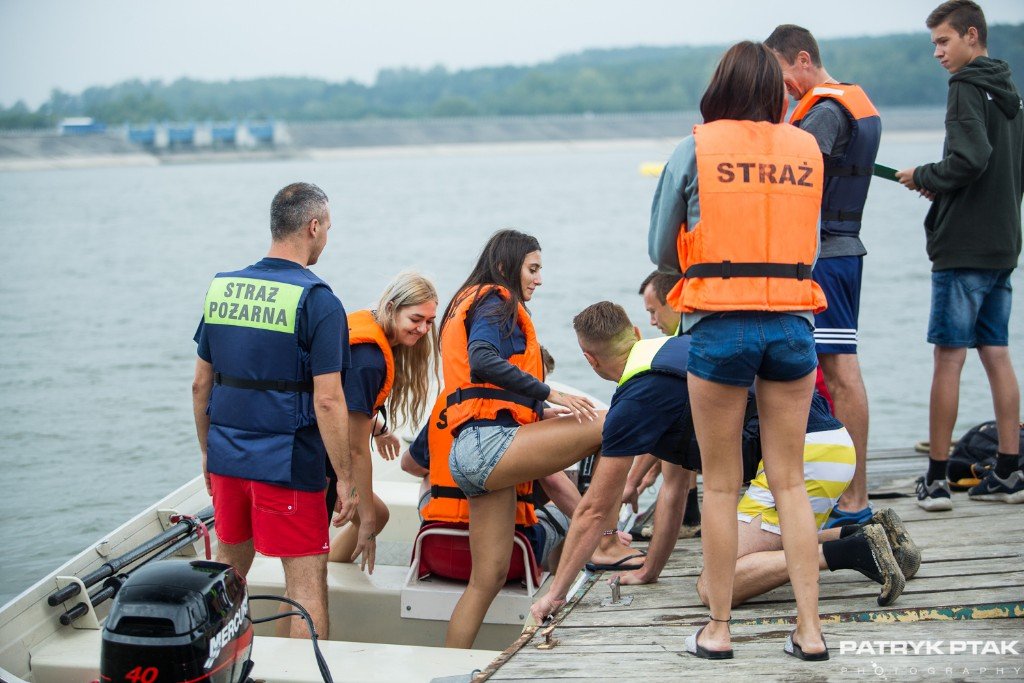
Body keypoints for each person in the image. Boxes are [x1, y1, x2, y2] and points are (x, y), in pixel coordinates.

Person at [648, 42, 829, 660]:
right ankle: (810, 631)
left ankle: (719, 630)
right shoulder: (806, 147)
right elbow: (811, 240)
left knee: (722, 487)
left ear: (720, 86)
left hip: (720, 325)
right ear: (776, 91)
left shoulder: (694, 148)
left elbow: (660, 250)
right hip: (791, 324)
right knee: (790, 483)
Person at [191, 182, 356, 640]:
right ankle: (304, 670)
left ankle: (215, 660)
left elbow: (200, 384)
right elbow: (328, 400)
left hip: (228, 458)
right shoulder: (318, 301)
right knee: (305, 586)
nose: (327, 238)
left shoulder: (223, 289)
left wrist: (207, 452)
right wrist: (345, 477)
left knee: (227, 574)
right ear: (313, 226)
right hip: (288, 464)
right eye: (328, 228)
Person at [440, 229, 612, 649]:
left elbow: (489, 394)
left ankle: (449, 663)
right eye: (532, 269)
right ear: (505, 267)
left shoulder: (471, 301)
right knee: (614, 421)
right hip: (488, 448)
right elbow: (482, 359)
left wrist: (540, 412)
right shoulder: (496, 300)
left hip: (470, 452)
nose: (538, 279)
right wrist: (551, 392)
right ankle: (605, 541)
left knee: (487, 579)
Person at [895, 0, 1024, 510]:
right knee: (996, 353)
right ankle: (1010, 471)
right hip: (1002, 244)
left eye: (944, 41)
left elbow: (970, 159)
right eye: (934, 44)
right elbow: (997, 169)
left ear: (972, 35)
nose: (937, 53)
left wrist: (924, 176)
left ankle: (935, 480)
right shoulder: (1009, 92)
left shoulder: (965, 86)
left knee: (948, 359)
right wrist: (946, 185)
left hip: (963, 247)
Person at [765, 25, 881, 528]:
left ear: (803, 59)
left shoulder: (826, 111)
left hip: (828, 254)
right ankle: (844, 493)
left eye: (781, 73)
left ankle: (854, 499)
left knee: (839, 371)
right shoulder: (847, 101)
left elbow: (792, 173)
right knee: (834, 369)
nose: (783, 86)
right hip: (841, 250)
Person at [326, 271, 440, 571]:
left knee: (379, 515)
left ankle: (330, 571)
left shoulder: (371, 325)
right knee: (373, 516)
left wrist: (377, 428)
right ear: (391, 308)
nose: (423, 329)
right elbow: (355, 450)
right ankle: (319, 577)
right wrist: (366, 519)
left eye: (430, 321)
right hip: (314, 455)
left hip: (322, 445)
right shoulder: (368, 359)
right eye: (416, 319)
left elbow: (346, 402)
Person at [637, 271, 701, 538]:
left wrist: (633, 481)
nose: (652, 322)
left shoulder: (685, 346)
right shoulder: (699, 329)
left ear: (675, 302)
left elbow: (665, 421)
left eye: (654, 312)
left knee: (675, 424)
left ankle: (684, 519)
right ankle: (689, 516)